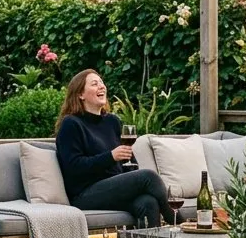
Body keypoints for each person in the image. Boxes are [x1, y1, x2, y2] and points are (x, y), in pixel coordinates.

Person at [55, 69, 172, 228]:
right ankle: (178, 222)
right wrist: (111, 157)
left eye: (102, 83)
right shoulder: (71, 124)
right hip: (86, 194)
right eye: (94, 84)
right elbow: (73, 167)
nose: (101, 87)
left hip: (115, 189)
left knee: (148, 202)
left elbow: (129, 161)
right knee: (148, 176)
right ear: (80, 95)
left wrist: (130, 177)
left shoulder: (112, 121)